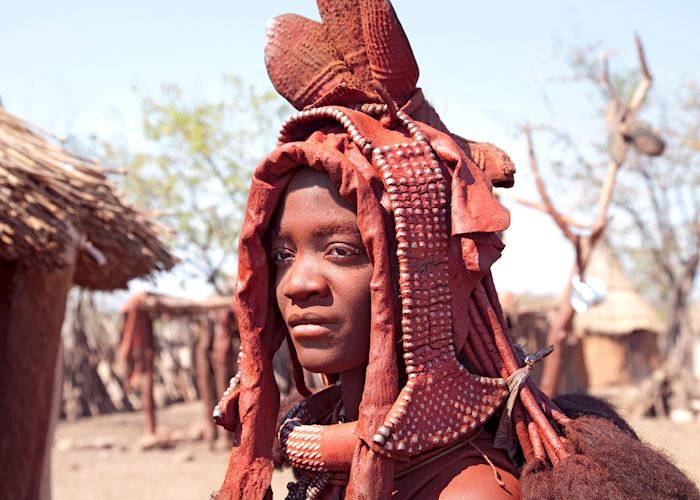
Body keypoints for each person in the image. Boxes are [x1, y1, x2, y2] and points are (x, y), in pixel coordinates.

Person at [212, 1, 700, 499]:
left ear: (422, 277)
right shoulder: (325, 457)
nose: (298, 283)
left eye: (340, 251)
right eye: (282, 256)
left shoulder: (467, 491)